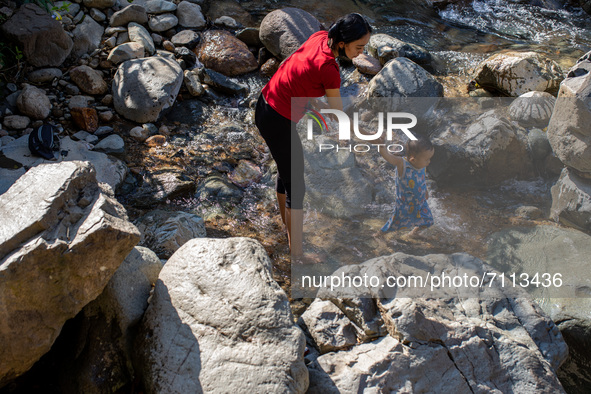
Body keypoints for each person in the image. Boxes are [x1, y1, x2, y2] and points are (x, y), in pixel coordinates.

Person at [254, 13, 372, 262]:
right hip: (277, 119)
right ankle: (297, 254)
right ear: (342, 43)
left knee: (286, 174)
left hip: (264, 104)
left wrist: (313, 106)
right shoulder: (330, 69)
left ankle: (289, 232)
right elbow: (337, 113)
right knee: (297, 186)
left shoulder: (319, 37)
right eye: (359, 47)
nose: (362, 53)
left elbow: (300, 72)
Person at [379, 136, 435, 238]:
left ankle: (413, 233)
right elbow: (388, 157)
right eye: (427, 159)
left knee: (428, 221)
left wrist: (425, 190)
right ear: (413, 159)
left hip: (420, 203)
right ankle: (378, 235)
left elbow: (422, 179)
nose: (429, 162)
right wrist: (381, 146)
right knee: (392, 226)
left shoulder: (422, 165)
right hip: (404, 206)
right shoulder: (402, 164)